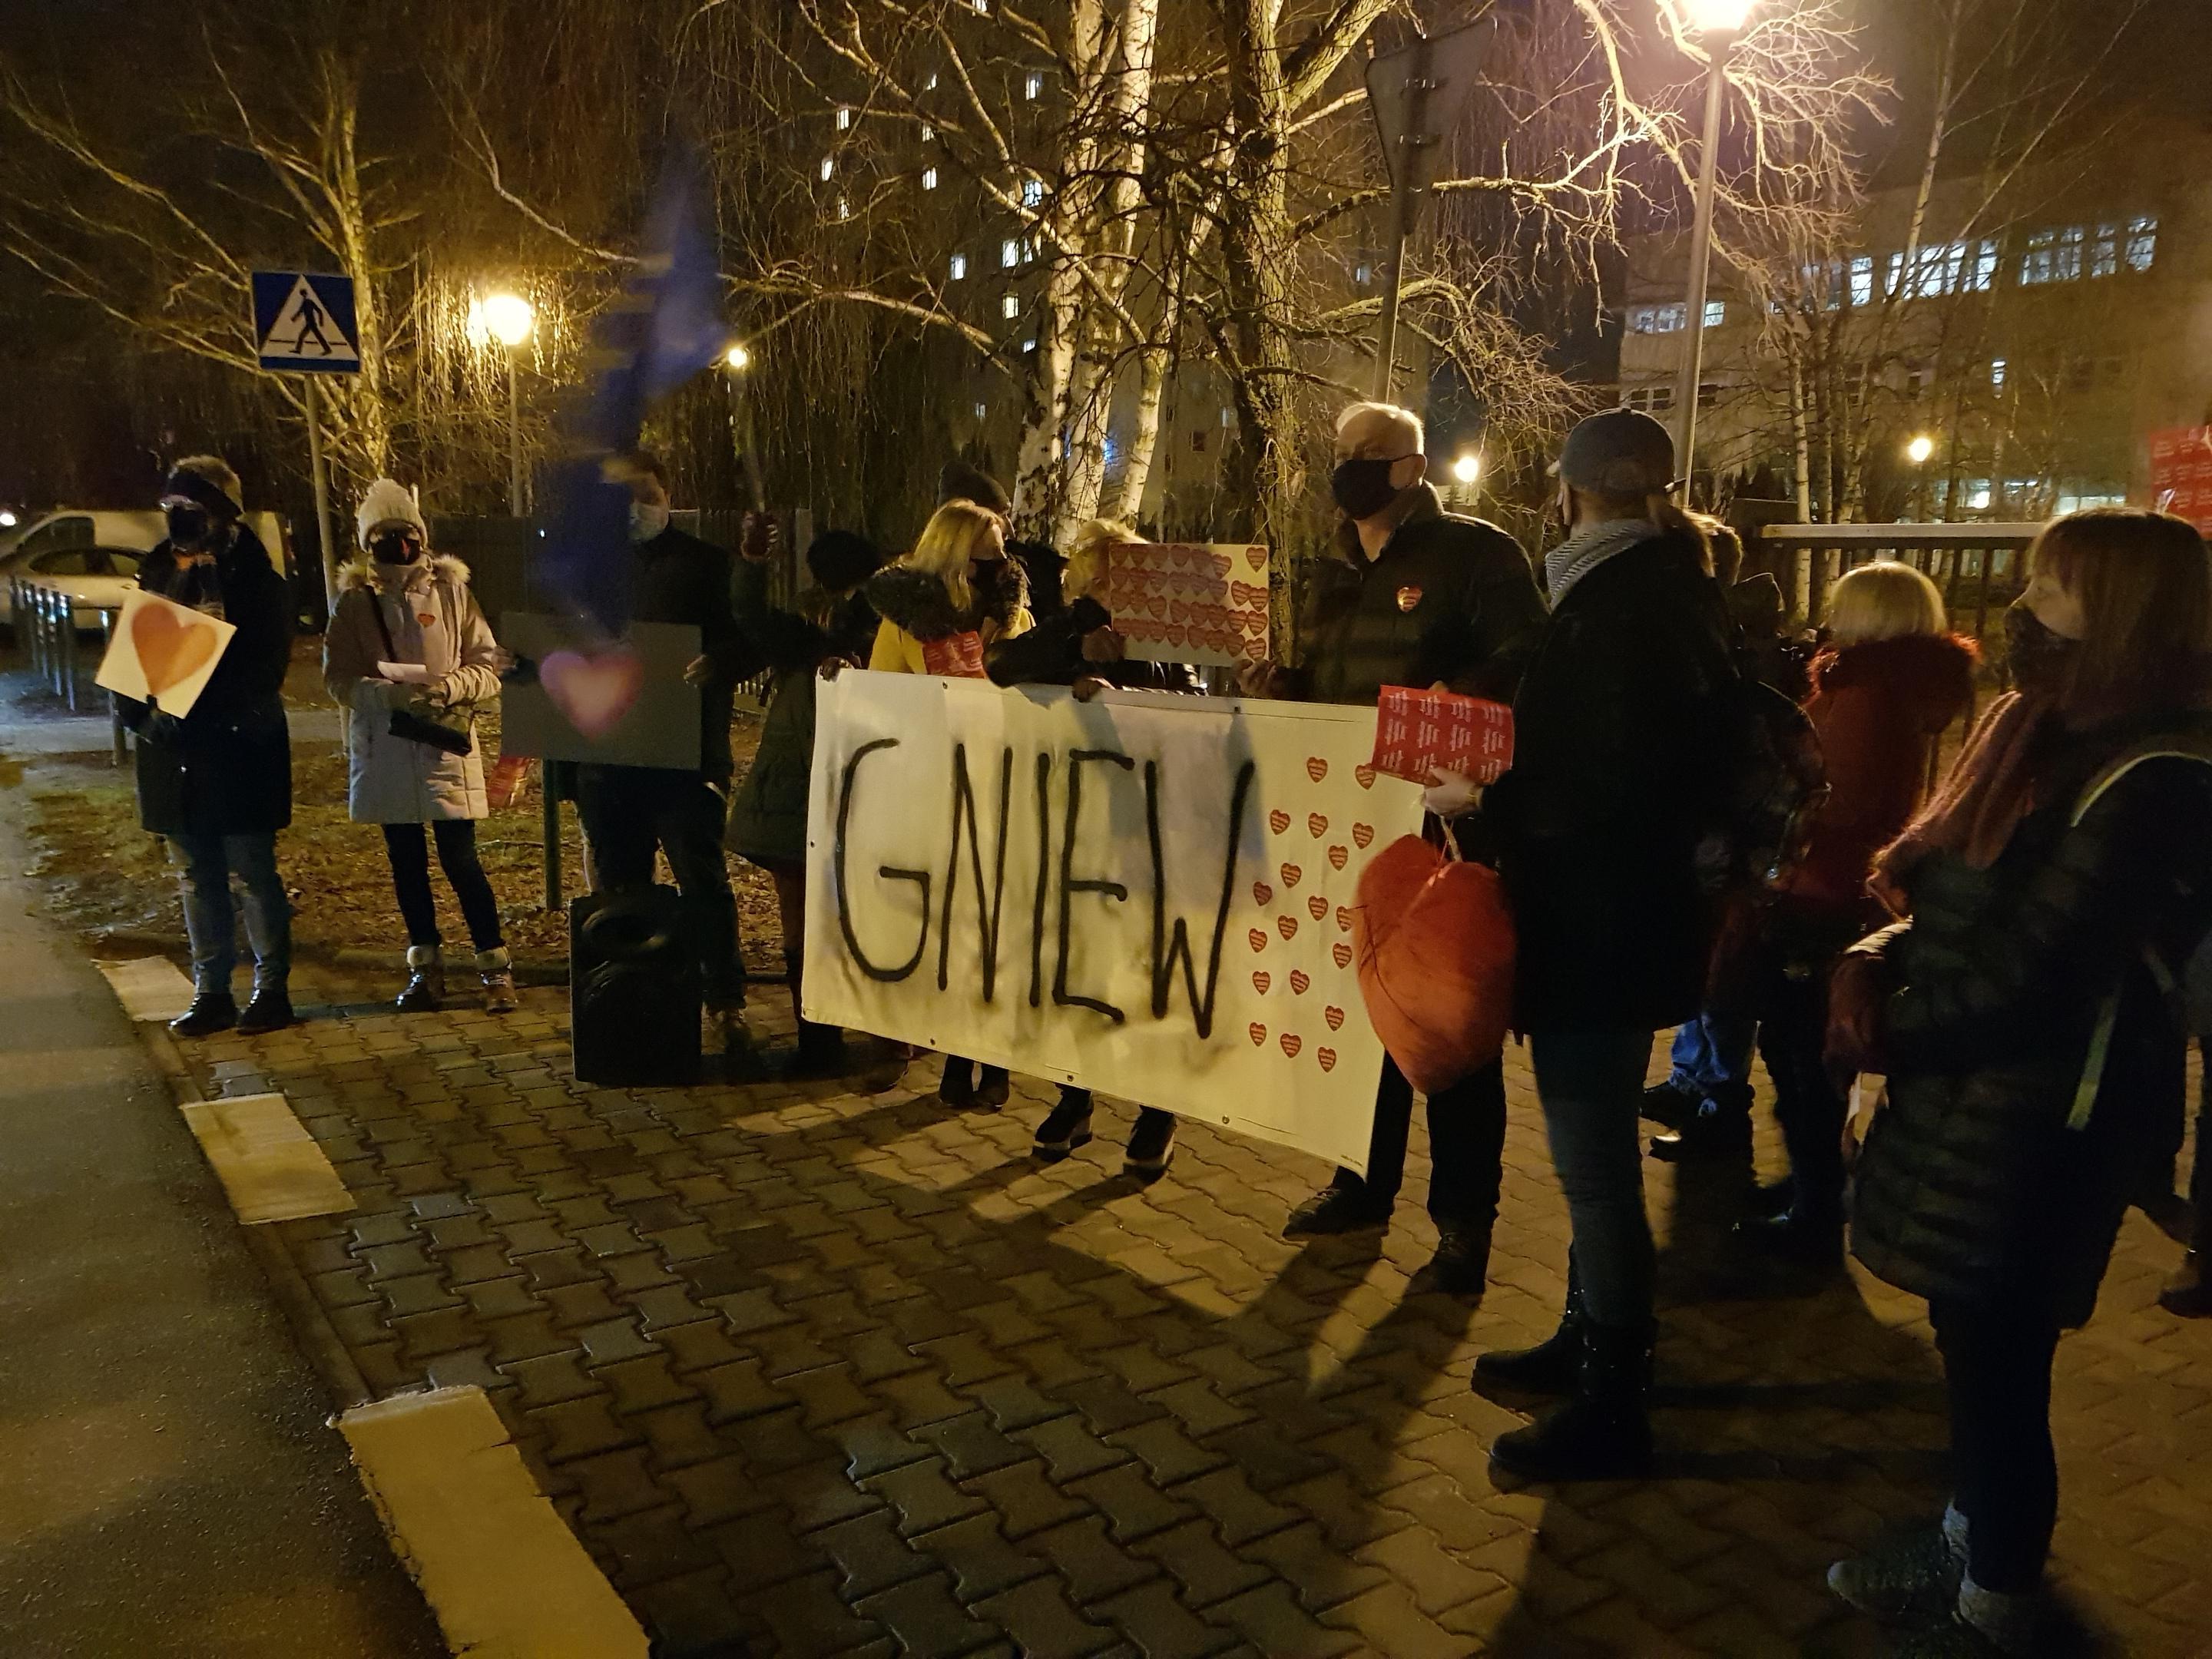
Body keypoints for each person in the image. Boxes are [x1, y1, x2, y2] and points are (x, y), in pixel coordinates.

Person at [1826, 509, 2212, 1657]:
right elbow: (1957, 898)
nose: (2023, 607)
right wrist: (1877, 954)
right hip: (1985, 1101)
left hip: (2047, 1118)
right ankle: (1969, 1539)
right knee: (1974, 1342)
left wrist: (1891, 1029)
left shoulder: (2154, 777)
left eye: (2053, 590)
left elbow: (2036, 981)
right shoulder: (2045, 733)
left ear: (2125, 617)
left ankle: (1994, 1605)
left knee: (2000, 1359)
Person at [1465, 409, 1738, 1479]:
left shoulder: (1617, 604)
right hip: (1629, 919)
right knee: (1596, 1166)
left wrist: (1483, 802)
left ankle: (1613, 1400)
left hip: (1602, 925)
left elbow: (1598, 788)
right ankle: (1586, 1343)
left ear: (1570, 492)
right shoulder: (1665, 586)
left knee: (1595, 1174)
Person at [1248, 399, 1547, 1299]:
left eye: (1368, 456)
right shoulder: (1337, 569)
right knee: (1361, 1016)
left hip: (1446, 835)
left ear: (1413, 467)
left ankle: (1464, 1226)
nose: (1350, 471)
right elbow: (1340, 691)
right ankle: (1359, 1180)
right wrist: (1287, 687)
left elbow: (1526, 659)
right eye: (1341, 454)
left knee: (1450, 1028)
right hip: (1352, 833)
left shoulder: (1478, 556)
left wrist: (1444, 710)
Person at [1734, 561, 1975, 1267]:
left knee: (1802, 1052)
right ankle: (1814, 1183)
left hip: (1822, 888)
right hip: (1843, 887)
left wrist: (1778, 803)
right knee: (1809, 1053)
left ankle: (1813, 1209)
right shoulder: (1897, 687)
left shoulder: (1867, 692)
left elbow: (1840, 796)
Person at [987, 518, 1196, 1174]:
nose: (1121, 584)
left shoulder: (1168, 632)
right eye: (1109, 571)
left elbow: (1192, 705)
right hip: (1076, 824)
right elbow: (1003, 667)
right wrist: (1079, 630)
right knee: (1079, 969)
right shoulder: (1071, 626)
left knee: (1144, 969)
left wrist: (1124, 694)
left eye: (1132, 570)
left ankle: (1156, 1110)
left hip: (1149, 827)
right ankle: (1074, 1097)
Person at [571, 452, 762, 1065]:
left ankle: (723, 1003)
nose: (634, 506)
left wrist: (720, 664)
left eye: (645, 492)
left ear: (667, 492)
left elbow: (746, 640)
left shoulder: (705, 564)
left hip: (685, 762)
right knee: (621, 889)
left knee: (702, 884)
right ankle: (629, 1006)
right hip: (610, 763)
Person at [859, 498, 1034, 1106]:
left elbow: (1036, 690)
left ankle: (996, 1061)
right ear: (958, 551)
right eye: (989, 550)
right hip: (934, 784)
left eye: (1004, 550)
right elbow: (883, 697)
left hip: (1004, 785)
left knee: (995, 928)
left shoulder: (1014, 612)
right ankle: (955, 1053)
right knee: (951, 930)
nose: (1001, 561)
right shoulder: (907, 617)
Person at [323, 480, 515, 1015]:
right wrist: (389, 696)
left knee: (462, 860)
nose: (399, 544)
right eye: (385, 535)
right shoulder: (354, 604)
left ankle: (494, 967)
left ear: (422, 534)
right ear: (367, 542)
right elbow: (337, 678)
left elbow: (488, 664)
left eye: (407, 532)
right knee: (405, 863)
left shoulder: (453, 592)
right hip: (387, 746)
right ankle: (425, 970)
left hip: (444, 747)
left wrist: (451, 686)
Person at [121, 456, 296, 1038]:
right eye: (170, 509)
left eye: (190, 510)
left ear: (221, 513)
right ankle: (212, 992)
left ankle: (271, 991)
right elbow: (134, 665)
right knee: (197, 875)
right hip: (173, 751)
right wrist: (140, 715)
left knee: (251, 871)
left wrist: (199, 709)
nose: (178, 521)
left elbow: (261, 670)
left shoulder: (257, 580)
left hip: (238, 748)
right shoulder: (159, 573)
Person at [726, 523, 888, 1075]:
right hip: (819, 799)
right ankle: (834, 1039)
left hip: (802, 798)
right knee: (828, 919)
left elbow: (751, 618)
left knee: (805, 921)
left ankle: (820, 1042)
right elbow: (753, 622)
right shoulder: (841, 639)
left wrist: (750, 566)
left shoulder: (821, 640)